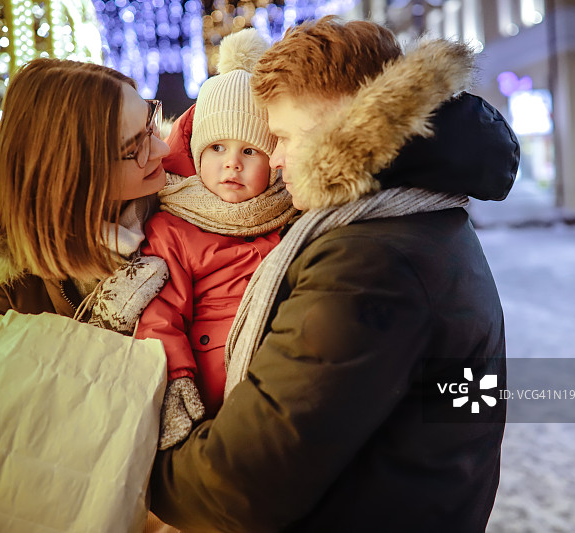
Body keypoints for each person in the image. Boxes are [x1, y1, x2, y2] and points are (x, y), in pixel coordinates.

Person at [149, 16, 518, 532]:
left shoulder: (369, 264)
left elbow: (242, 485)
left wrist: (141, 472)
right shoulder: (418, 217)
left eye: (283, 137)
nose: (274, 160)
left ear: (343, 132)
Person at [0, 58, 171, 368]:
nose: (162, 148)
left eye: (150, 121)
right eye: (135, 148)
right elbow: (10, 411)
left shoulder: (197, 196)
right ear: (74, 177)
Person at [134, 29, 296, 450]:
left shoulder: (288, 217)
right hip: (208, 396)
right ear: (196, 154)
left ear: (274, 162)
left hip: (276, 388)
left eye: (250, 152)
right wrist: (177, 382)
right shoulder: (174, 227)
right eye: (218, 148)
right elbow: (160, 314)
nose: (232, 165)